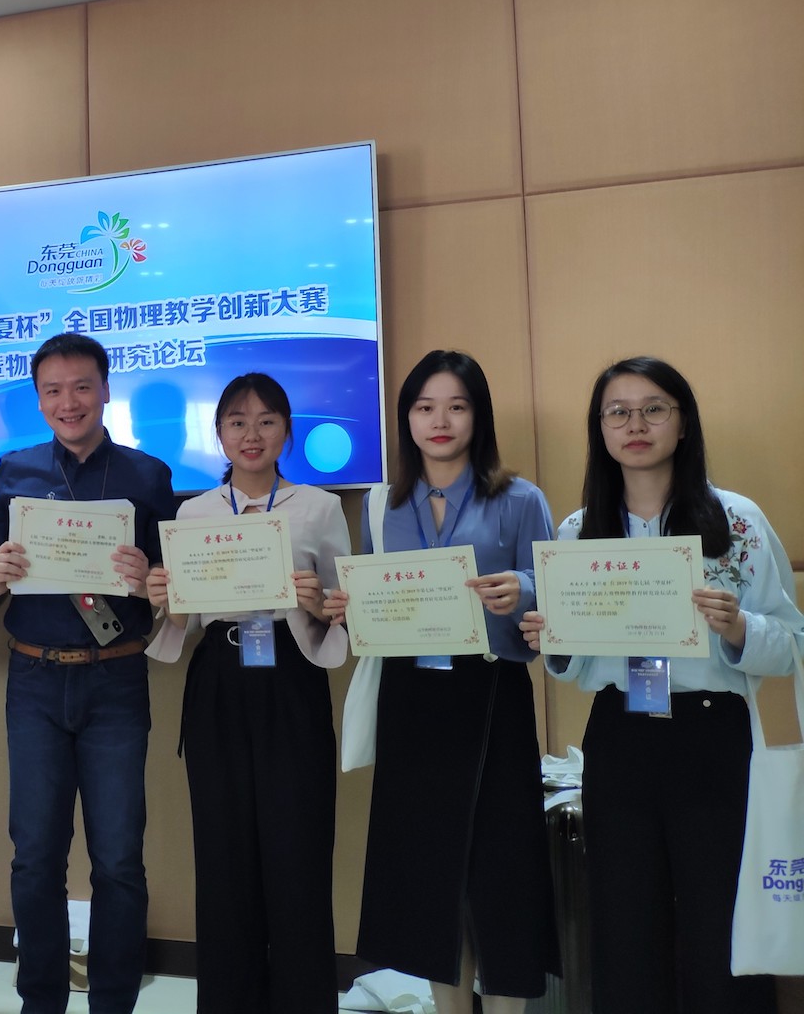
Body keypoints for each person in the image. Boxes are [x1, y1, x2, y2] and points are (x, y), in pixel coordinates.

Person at [520, 356, 804, 1014]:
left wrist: (739, 628)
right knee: (624, 920)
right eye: (617, 412)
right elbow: (574, 667)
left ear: (683, 423)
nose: (635, 425)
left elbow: (791, 644)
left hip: (712, 735)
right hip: (620, 736)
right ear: (600, 430)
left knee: (719, 918)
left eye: (654, 409)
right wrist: (551, 641)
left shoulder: (736, 521)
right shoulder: (577, 531)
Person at [323, 350, 557, 1014]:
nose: (440, 421)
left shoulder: (519, 499)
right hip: (412, 701)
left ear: (478, 416)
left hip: (491, 698)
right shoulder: (379, 504)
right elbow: (373, 602)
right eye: (425, 408)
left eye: (457, 406)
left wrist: (523, 590)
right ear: (406, 419)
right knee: (428, 879)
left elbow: (553, 594)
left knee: (501, 875)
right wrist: (349, 608)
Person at [0, 333, 176, 1014]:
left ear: (106, 389)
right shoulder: (15, 471)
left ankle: (113, 1003)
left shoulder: (148, 476)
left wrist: (149, 580)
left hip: (116, 680)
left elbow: (173, 581)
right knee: (34, 856)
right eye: (53, 390)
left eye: (82, 386)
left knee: (118, 858)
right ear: (38, 399)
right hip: (34, 680)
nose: (69, 401)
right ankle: (41, 1002)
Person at [143, 373, 349, 1014]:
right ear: (219, 434)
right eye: (236, 421)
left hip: (291, 679)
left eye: (265, 421)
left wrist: (321, 603)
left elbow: (346, 610)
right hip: (219, 681)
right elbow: (183, 624)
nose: (251, 434)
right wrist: (167, 602)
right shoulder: (193, 513)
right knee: (223, 851)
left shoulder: (320, 507)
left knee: (297, 848)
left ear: (287, 430)